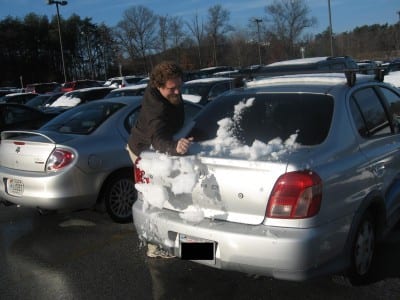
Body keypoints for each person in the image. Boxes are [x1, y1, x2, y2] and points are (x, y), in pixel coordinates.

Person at [126, 61, 193, 258]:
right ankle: (155, 249)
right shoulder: (156, 110)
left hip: (155, 146)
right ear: (158, 86)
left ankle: (181, 243)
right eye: (172, 89)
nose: (178, 92)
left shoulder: (163, 88)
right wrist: (175, 147)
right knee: (154, 198)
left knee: (166, 195)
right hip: (142, 153)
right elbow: (157, 139)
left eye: (180, 86)